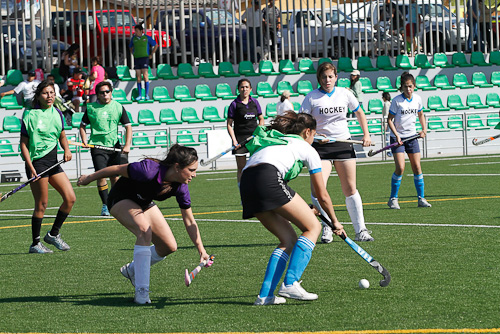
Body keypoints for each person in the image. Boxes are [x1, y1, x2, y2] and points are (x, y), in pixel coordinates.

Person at [77, 144, 210, 304]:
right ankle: (142, 291)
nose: (194, 175)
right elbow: (117, 168)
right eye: (191, 170)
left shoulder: (181, 187)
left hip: (143, 202)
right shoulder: (147, 170)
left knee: (169, 246)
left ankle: (132, 270)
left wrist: (201, 250)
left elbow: (189, 221)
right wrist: (88, 178)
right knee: (144, 230)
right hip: (120, 197)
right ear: (177, 167)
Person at [240, 112, 345, 305]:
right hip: (268, 177)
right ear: (307, 132)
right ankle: (290, 283)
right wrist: (335, 221)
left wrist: (306, 209)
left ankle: (265, 296)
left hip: (246, 182)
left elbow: (280, 193)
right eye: (314, 134)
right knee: (313, 228)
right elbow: (321, 194)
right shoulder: (307, 149)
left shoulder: (277, 139)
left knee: (288, 239)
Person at [300, 62, 373, 244]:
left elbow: (360, 113)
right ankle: (327, 227)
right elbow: (302, 124)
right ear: (319, 78)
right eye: (324, 77)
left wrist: (366, 134)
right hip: (321, 148)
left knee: (350, 189)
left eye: (330, 76)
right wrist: (315, 139)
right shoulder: (311, 97)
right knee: (319, 190)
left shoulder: (345, 93)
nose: (327, 80)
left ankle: (360, 230)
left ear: (336, 77)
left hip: (343, 143)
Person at [20, 80, 76, 254]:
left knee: (70, 198)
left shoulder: (57, 113)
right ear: (38, 96)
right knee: (42, 204)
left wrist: (66, 149)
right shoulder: (29, 115)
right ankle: (35, 244)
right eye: (45, 93)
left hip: (53, 163)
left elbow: (62, 136)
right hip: (37, 163)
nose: (49, 96)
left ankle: (53, 234)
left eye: (52, 92)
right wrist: (31, 167)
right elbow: (23, 144)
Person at [79, 81, 133, 216]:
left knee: (115, 177)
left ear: (111, 92)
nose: (105, 94)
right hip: (97, 147)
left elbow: (128, 126)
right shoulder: (91, 108)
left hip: (114, 146)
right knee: (101, 174)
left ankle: (115, 202)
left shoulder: (118, 107)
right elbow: (82, 126)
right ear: (97, 94)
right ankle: (105, 205)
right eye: (102, 92)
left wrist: (127, 145)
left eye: (107, 92)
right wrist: (84, 140)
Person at [386, 72, 431, 210]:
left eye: (410, 86)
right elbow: (389, 120)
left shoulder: (417, 99)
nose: (408, 89)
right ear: (402, 87)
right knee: (400, 168)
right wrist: (396, 136)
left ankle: (421, 198)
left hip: (412, 137)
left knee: (417, 167)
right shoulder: (396, 101)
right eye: (405, 87)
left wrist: (424, 129)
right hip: (398, 138)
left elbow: (421, 114)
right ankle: (393, 199)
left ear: (414, 86)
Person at [226, 78, 265, 184]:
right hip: (240, 139)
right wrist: (234, 140)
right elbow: (229, 124)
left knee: (256, 165)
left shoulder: (255, 102)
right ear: (238, 89)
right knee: (241, 168)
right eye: (242, 87)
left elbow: (261, 119)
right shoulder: (234, 104)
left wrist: (258, 132)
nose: (244, 89)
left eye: (247, 87)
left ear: (251, 89)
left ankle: (255, 189)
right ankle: (242, 191)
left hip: (254, 138)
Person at [129, 24, 158, 101]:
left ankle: (146, 95)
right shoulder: (133, 39)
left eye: (137, 31)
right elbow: (130, 47)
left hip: (144, 59)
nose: (136, 32)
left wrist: (151, 54)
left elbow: (155, 45)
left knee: (145, 76)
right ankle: (140, 95)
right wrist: (133, 53)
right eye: (135, 31)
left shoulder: (146, 38)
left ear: (141, 31)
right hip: (137, 59)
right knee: (138, 77)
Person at [382, 92, 392, 156]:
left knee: (387, 137)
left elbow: (386, 114)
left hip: (387, 122)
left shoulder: (386, 104)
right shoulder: (390, 103)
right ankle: (390, 151)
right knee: (389, 136)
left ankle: (389, 152)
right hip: (390, 121)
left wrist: (385, 123)